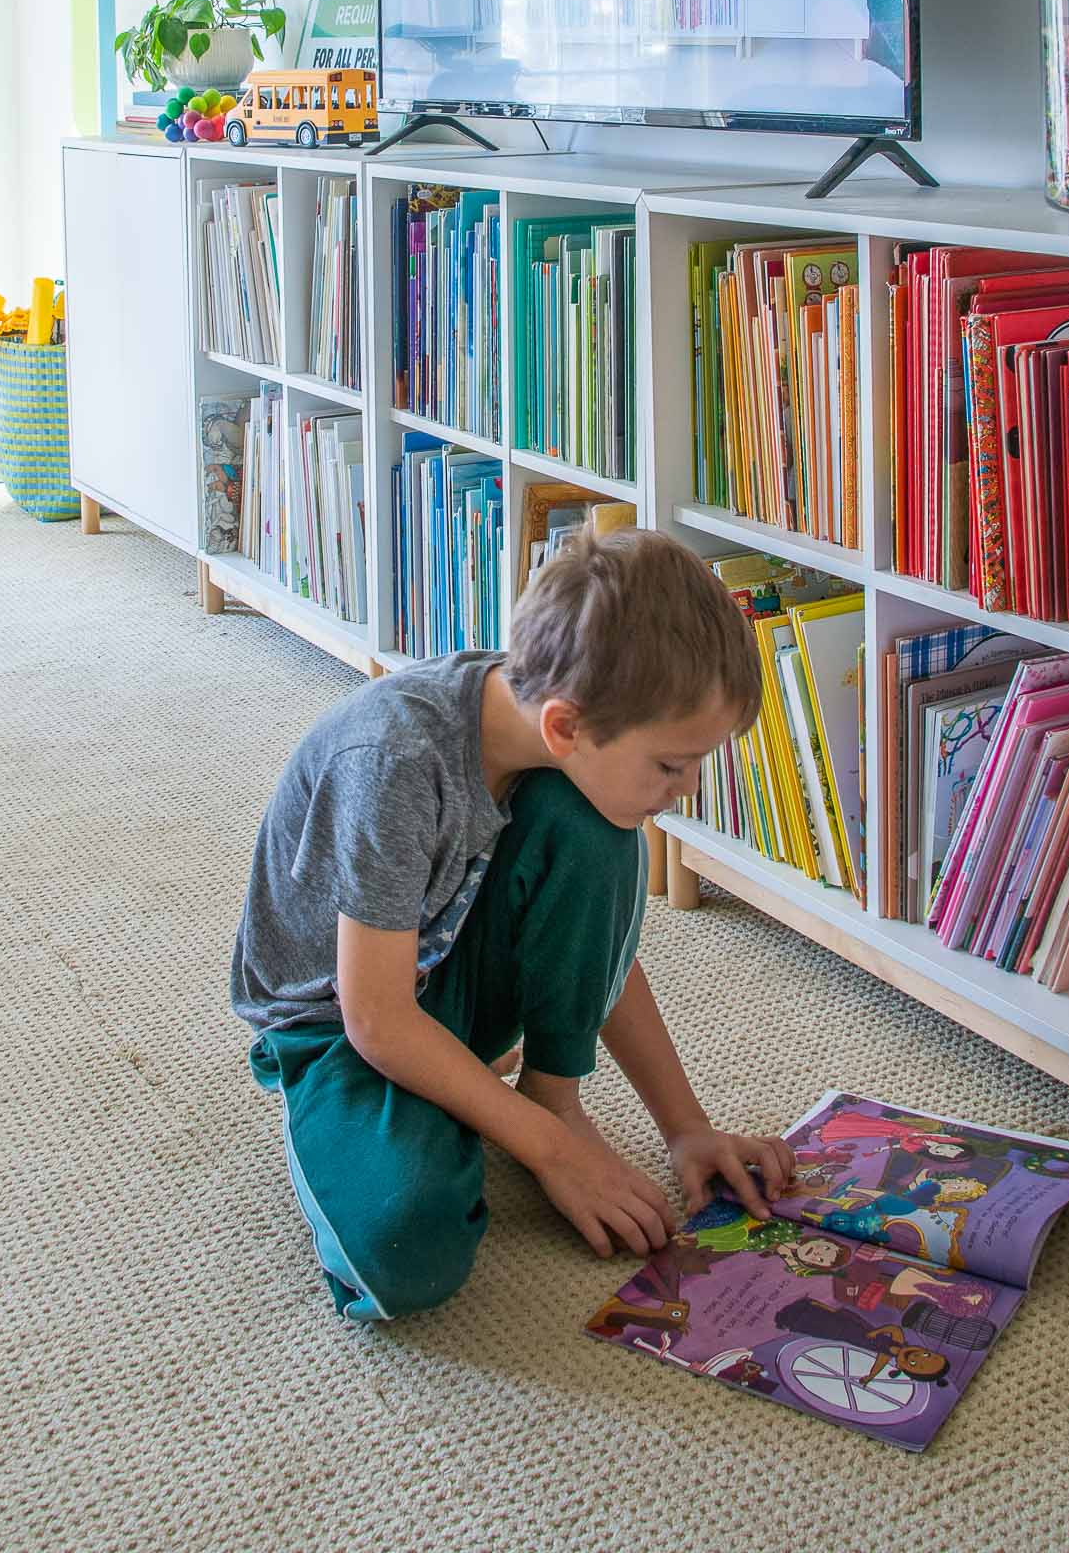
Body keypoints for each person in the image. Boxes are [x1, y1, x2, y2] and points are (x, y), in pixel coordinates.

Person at [232, 528, 795, 1320]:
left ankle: (544, 1094)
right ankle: (430, 1115)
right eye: (671, 765)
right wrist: (550, 1152)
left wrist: (686, 1129)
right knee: (405, 1246)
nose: (687, 790)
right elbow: (376, 1018)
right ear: (564, 726)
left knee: (598, 826)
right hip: (339, 1020)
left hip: (448, 965)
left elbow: (599, 953)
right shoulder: (392, 760)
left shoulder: (554, 743)